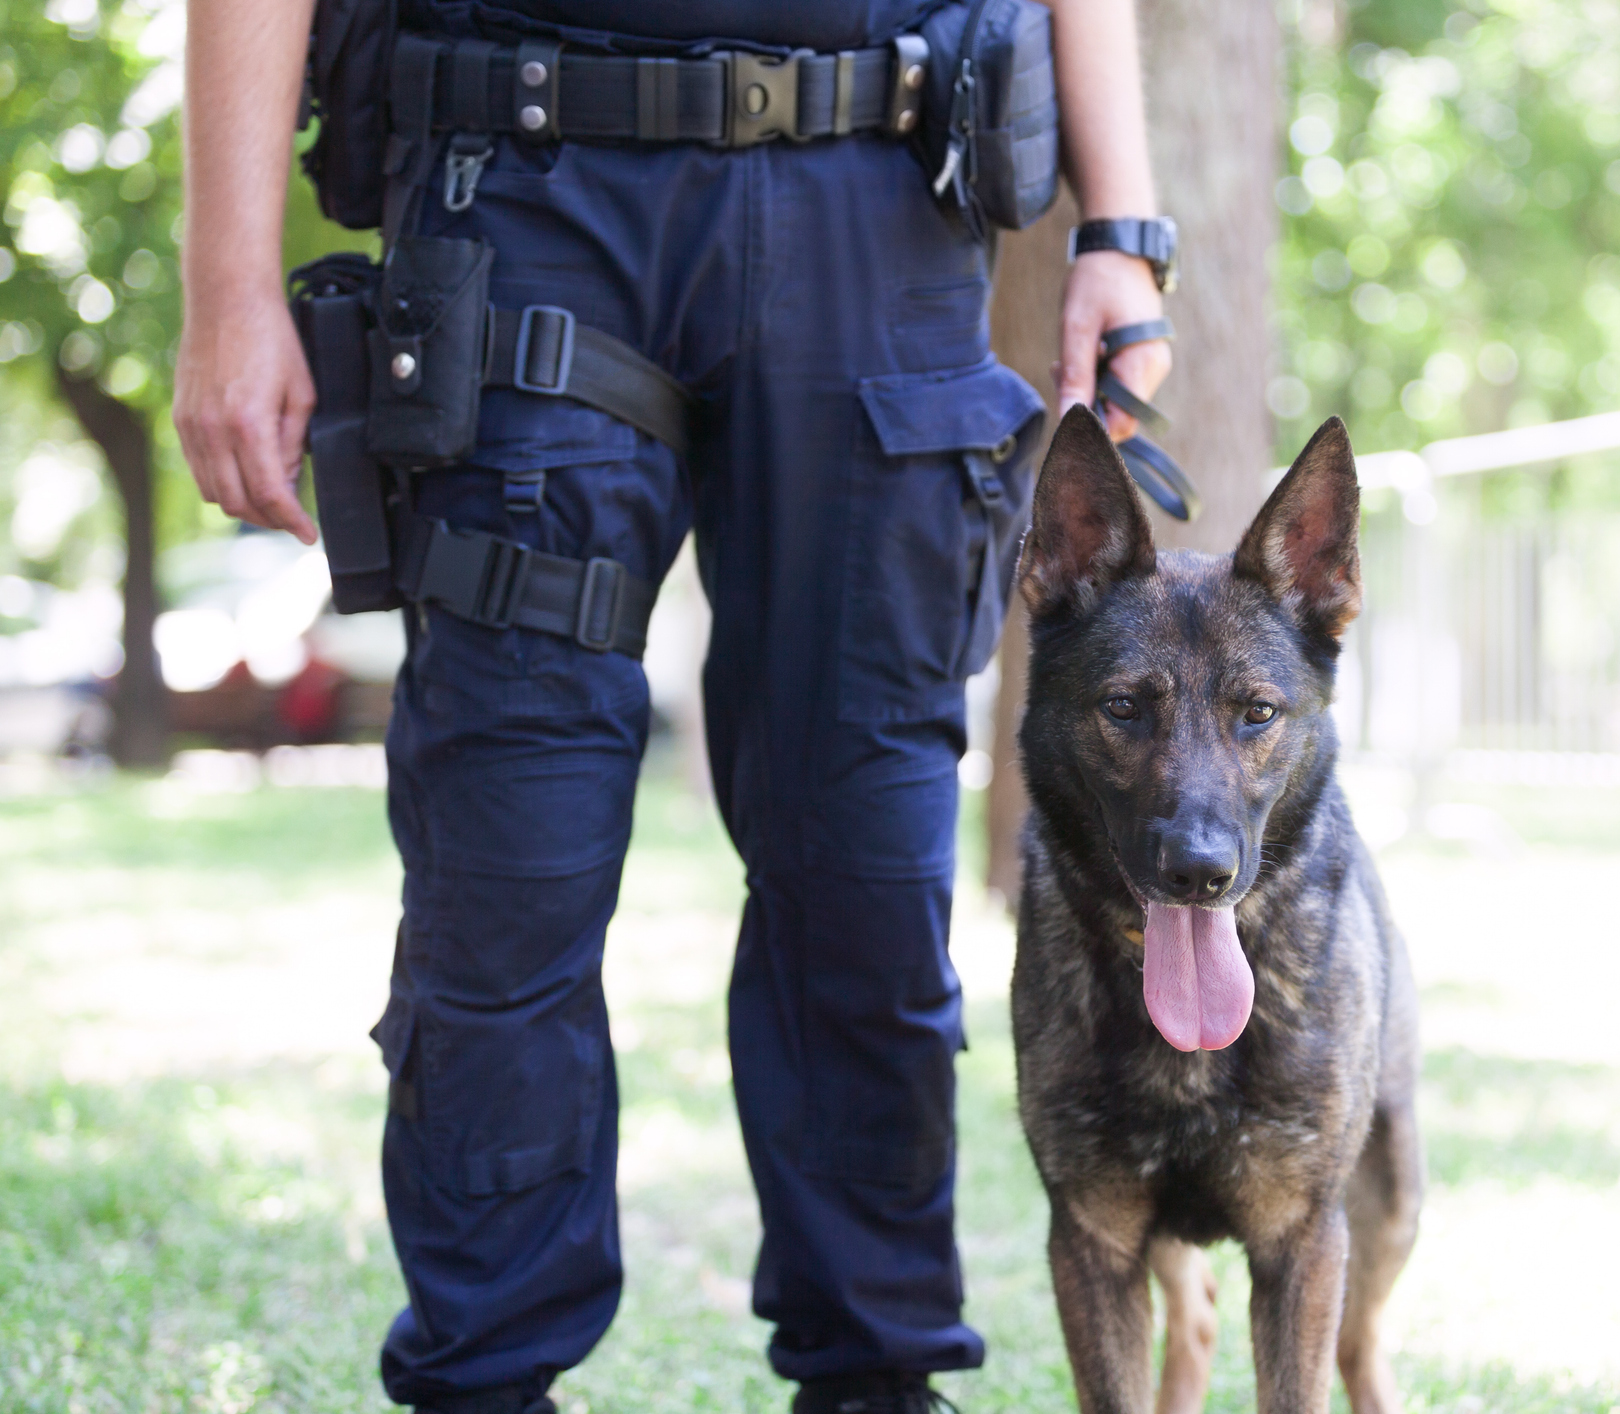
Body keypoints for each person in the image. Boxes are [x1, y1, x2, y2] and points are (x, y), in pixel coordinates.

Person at [172, 1, 1173, 1410]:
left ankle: (874, 1380)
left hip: (875, 193)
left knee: (867, 875)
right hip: (519, 181)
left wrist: (1121, 224)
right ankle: (485, 1384)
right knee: (504, 873)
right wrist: (227, 282)